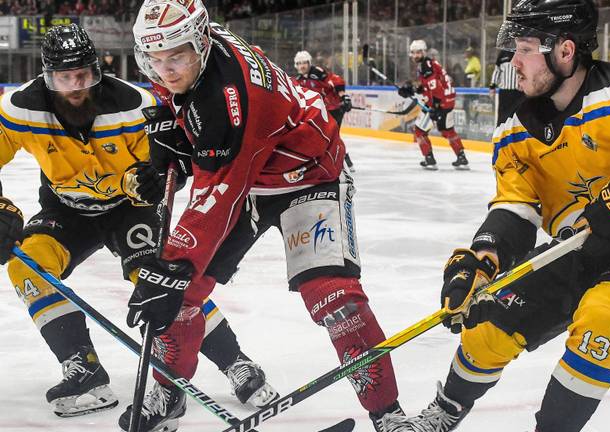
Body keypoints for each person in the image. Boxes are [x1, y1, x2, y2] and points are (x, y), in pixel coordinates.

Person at [387, 0, 610, 431]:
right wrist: (483, 258)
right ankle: (442, 415)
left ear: (565, 51)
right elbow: (515, 211)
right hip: (583, 250)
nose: (513, 61)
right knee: (489, 325)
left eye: (525, 48)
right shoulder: (515, 132)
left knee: (604, 315)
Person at [129, 1, 403, 431]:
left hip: (311, 175)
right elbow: (181, 101)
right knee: (182, 295)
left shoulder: (228, 99)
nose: (165, 70)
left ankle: (389, 416)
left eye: (176, 56)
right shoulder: (198, 48)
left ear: (199, 42)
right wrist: (173, 135)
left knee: (336, 299)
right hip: (255, 167)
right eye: (155, 59)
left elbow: (215, 199)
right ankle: (168, 395)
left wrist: (170, 266)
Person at [0, 24, 277, 418]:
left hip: (127, 208)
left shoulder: (134, 104)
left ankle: (235, 362)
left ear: (97, 70)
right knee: (27, 267)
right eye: (64, 77)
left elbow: (164, 168)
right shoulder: (20, 107)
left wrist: (146, 180)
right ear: (47, 77)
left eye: (84, 74)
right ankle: (84, 369)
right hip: (65, 211)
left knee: (160, 282)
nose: (76, 85)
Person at [397, 40, 468, 170]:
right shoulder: (429, 63)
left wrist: (435, 107)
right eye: (413, 53)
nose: (416, 55)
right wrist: (413, 90)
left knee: (419, 131)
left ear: (424, 52)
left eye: (418, 52)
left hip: (439, 101)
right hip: (446, 100)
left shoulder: (426, 65)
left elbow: (435, 87)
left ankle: (429, 158)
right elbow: (429, 86)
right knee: (447, 130)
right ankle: (461, 156)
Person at [294, 50, 355, 171]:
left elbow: (335, 80)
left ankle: (342, 160)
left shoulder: (318, 73)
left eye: (304, 63)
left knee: (330, 136)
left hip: (334, 109)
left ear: (309, 63)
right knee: (325, 137)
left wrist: (344, 97)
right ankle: (340, 159)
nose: (302, 66)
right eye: (299, 63)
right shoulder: (299, 80)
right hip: (321, 112)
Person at [489, 49, 525, 126]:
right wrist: (492, 86)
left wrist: (525, 83)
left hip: (519, 92)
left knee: (518, 117)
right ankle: (501, 136)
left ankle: (517, 137)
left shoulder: (521, 52)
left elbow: (527, 70)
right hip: (505, 92)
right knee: (503, 117)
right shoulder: (502, 54)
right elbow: (497, 71)